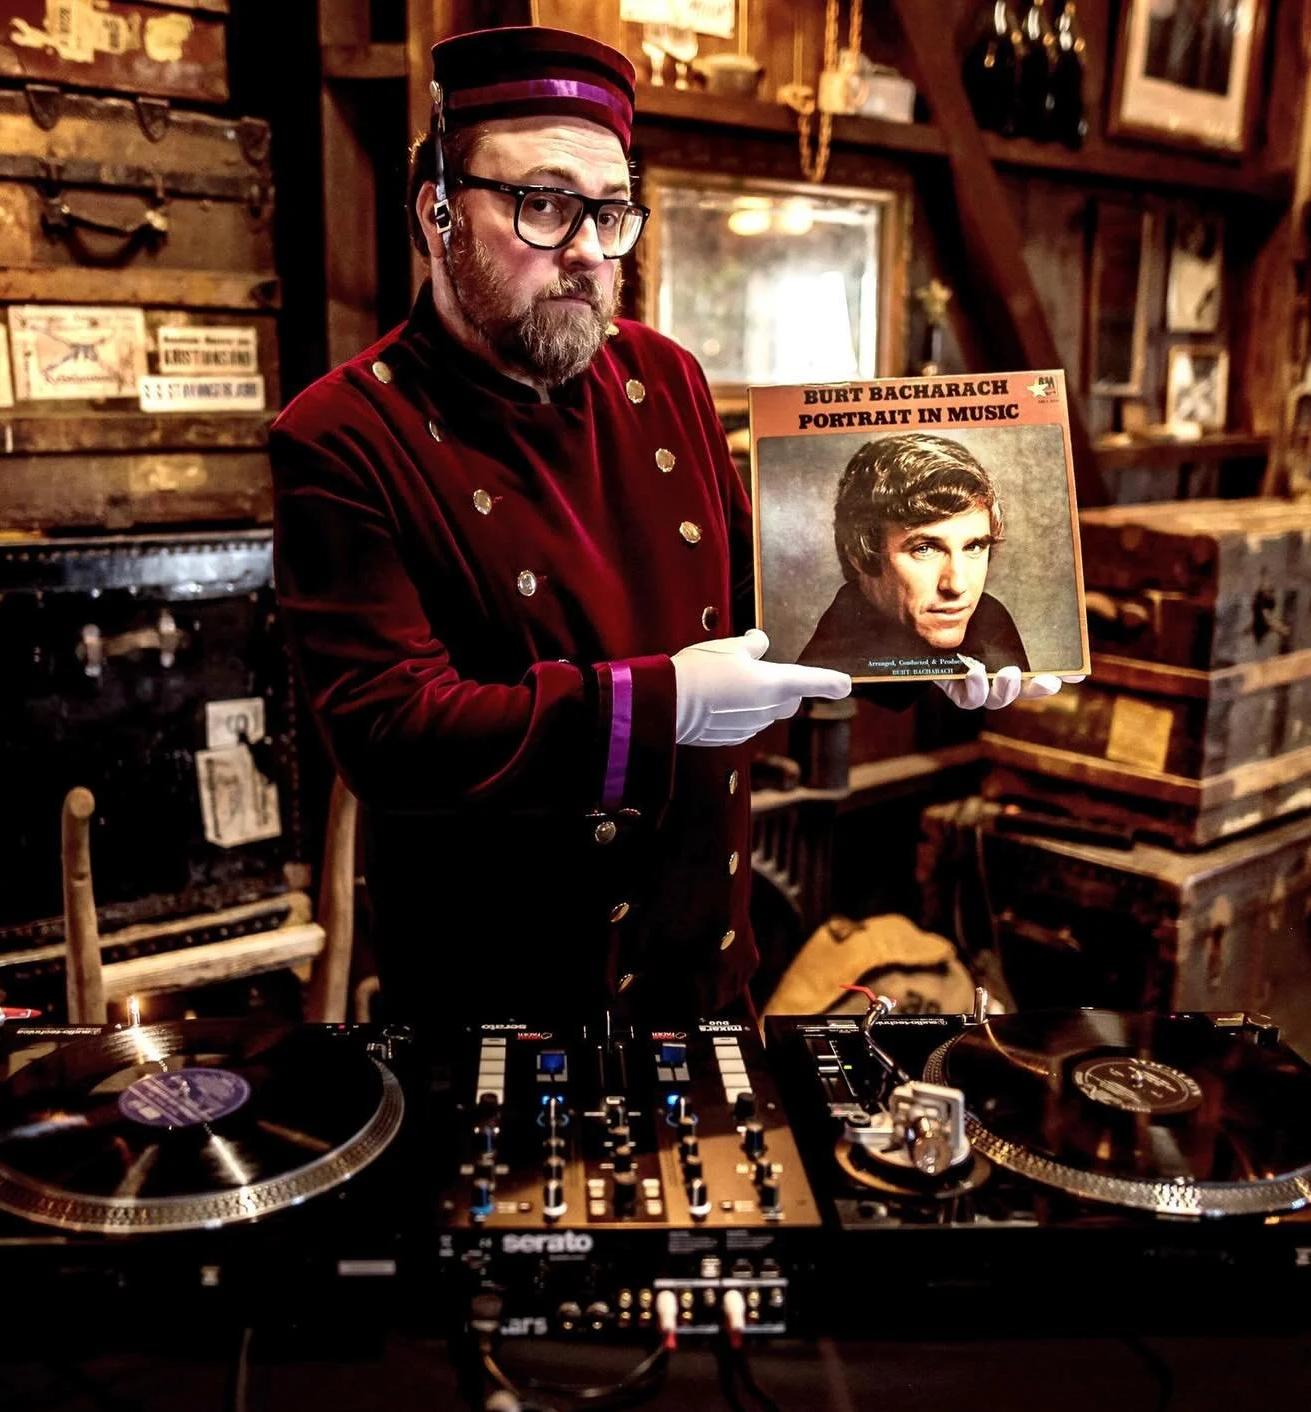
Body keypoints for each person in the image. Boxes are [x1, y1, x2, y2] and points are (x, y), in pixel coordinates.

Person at [270, 27, 1069, 1028]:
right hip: (495, 1002)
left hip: (706, 971)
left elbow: (767, 607)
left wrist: (926, 657)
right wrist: (665, 704)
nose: (588, 251)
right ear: (437, 212)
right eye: (543, 204)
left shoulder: (666, 377)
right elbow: (392, 732)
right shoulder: (343, 434)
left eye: (610, 212)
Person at [797, 433, 1031, 678]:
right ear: (860, 555)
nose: (957, 585)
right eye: (925, 549)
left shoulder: (990, 621)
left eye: (973, 546)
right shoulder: (826, 676)